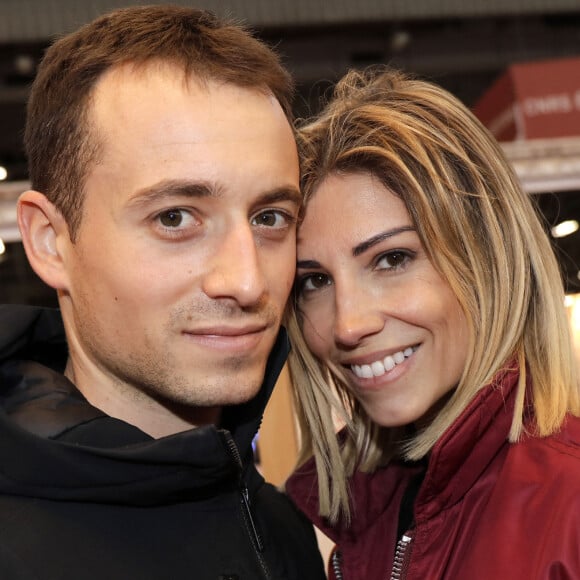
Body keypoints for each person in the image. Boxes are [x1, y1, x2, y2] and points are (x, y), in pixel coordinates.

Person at [0, 5, 326, 579]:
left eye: (270, 217)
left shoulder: (284, 530)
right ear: (51, 242)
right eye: (176, 218)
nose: (247, 281)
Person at [284, 66, 580, 579]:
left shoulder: (569, 506)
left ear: (487, 259)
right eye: (314, 282)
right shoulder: (370, 514)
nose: (348, 324)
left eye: (392, 259)